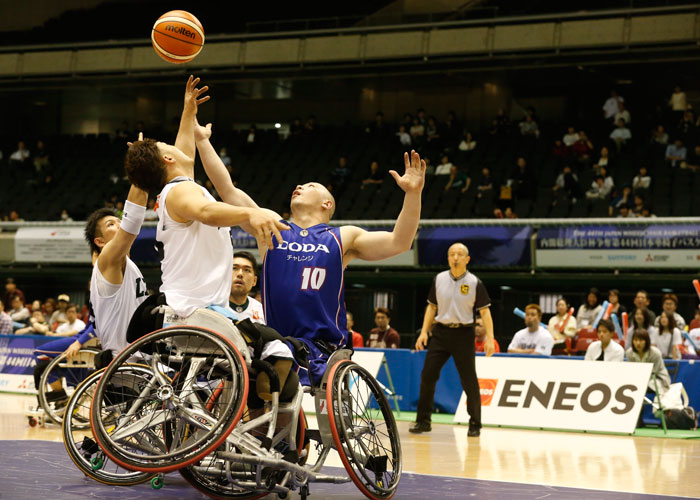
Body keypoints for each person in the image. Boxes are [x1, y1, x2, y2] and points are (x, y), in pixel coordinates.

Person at [194, 89, 426, 388]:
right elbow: (227, 190)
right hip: (275, 341)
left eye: (310, 185)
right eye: (299, 184)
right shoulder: (272, 226)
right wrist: (202, 141)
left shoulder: (343, 237)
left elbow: (400, 241)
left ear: (327, 204)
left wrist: (413, 195)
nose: (299, 186)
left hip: (323, 346)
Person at [123, 76, 288, 321]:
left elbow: (184, 150)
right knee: (272, 353)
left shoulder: (179, 185)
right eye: (167, 146)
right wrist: (251, 213)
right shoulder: (179, 192)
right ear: (168, 160)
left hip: (195, 306)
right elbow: (207, 213)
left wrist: (188, 110)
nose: (174, 145)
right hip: (188, 309)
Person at [411, 242, 495, 437]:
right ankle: (423, 421)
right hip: (440, 333)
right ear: (448, 258)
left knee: (469, 380)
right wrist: (424, 332)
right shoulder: (439, 279)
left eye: (459, 254)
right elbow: (431, 308)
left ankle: (475, 423)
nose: (455, 257)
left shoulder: (475, 282)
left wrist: (490, 338)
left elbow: (485, 312)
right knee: (428, 375)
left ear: (467, 259)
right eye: (451, 254)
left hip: (464, 334)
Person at [625, 329, 671, 393]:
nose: (638, 343)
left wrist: (640, 382)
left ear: (647, 341)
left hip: (658, 378)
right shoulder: (629, 353)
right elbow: (631, 370)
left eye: (641, 340)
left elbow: (654, 372)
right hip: (638, 379)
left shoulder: (655, 353)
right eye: (635, 340)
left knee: (652, 384)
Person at [229, 251, 265, 323]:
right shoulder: (212, 308)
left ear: (254, 281)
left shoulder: (262, 311)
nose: (240, 274)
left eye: (247, 270)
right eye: (234, 268)